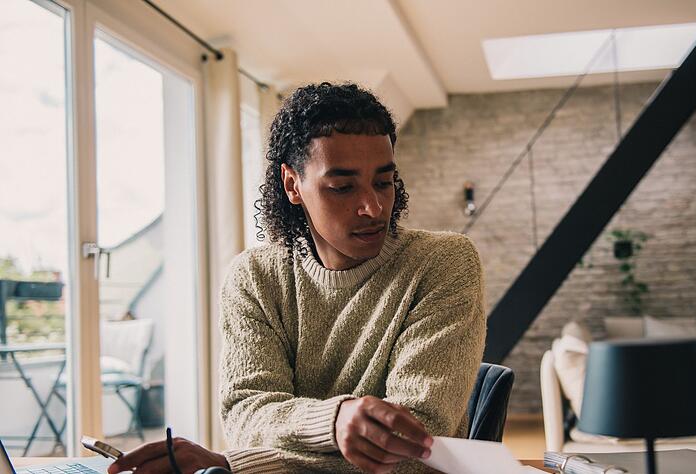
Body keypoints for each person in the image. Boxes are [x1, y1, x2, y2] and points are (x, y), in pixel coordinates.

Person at [109, 82, 486, 474]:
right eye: (342, 187)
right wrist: (333, 421)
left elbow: (412, 445)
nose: (373, 207)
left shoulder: (443, 262)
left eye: (383, 182)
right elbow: (245, 416)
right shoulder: (253, 278)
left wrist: (237, 465)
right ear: (292, 184)